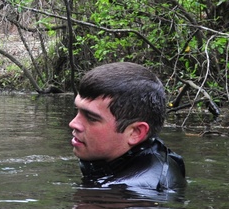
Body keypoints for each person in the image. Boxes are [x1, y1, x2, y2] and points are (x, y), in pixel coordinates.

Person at [68, 62, 185, 192]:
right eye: (77, 110)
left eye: (91, 118)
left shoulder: (132, 196)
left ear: (135, 132)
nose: (73, 123)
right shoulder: (147, 153)